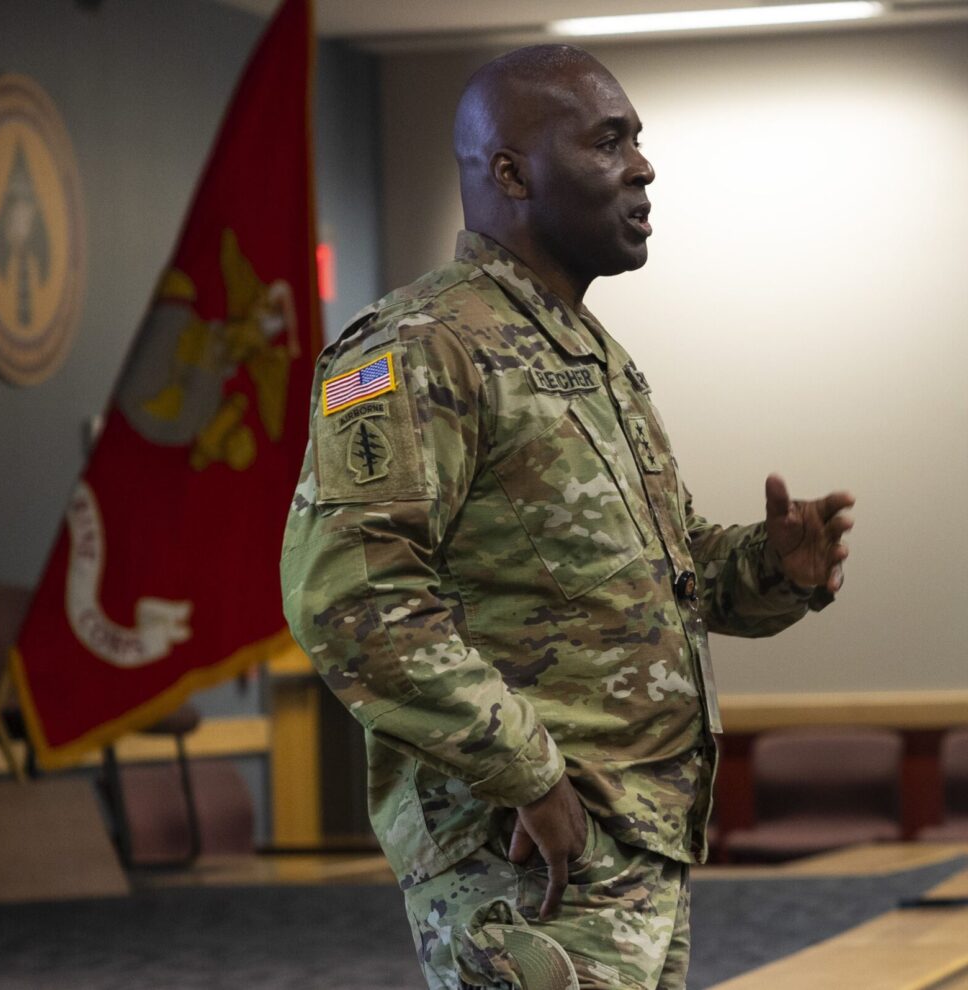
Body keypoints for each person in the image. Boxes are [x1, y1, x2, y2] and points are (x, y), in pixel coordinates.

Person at [281, 44, 854, 990]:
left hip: (634, 841)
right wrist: (533, 777)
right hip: (523, 849)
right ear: (510, 171)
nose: (643, 165)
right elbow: (350, 599)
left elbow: (641, 584)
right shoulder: (423, 346)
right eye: (608, 140)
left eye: (638, 139)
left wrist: (770, 568)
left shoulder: (586, 354)